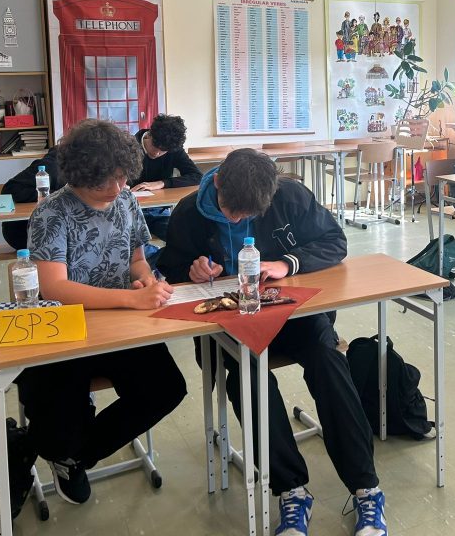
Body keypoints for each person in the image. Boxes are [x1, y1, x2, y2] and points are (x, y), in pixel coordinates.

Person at [156, 149, 388, 536]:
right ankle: (291, 490)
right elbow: (171, 267)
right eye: (230, 210)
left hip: (292, 314)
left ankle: (366, 487)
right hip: (230, 323)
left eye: (246, 214)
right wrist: (191, 270)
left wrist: (287, 263)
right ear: (217, 182)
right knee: (245, 379)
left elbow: (334, 241)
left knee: (328, 359)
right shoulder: (188, 213)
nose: (236, 219)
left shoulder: (289, 196)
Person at [19, 120, 186, 504]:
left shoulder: (125, 199)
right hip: (66, 327)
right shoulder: (52, 213)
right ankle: (67, 449)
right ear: (79, 176)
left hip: (119, 323)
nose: (116, 188)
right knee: (59, 410)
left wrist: (145, 280)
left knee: (166, 389)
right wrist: (130, 299)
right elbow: (54, 288)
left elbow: (137, 258)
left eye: (122, 177)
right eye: (104, 182)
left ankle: (76, 457)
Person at [130, 113, 203, 240]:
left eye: (163, 151)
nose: (157, 153)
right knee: (132, 242)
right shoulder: (129, 146)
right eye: (155, 147)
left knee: (181, 237)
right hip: (131, 211)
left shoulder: (173, 148)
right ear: (149, 135)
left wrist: (162, 183)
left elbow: (197, 176)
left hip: (159, 212)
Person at [1, 147, 60, 250]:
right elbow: (10, 189)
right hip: (24, 232)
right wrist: (53, 194)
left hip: (57, 230)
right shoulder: (51, 165)